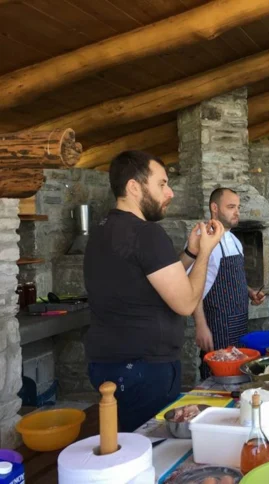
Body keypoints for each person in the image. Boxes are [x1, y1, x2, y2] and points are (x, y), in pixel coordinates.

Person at [84, 150, 224, 432]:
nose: (169, 192)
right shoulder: (146, 234)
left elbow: (155, 276)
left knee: (125, 443)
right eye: (161, 184)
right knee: (151, 449)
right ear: (134, 187)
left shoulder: (103, 229)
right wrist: (207, 252)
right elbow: (185, 302)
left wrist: (190, 253)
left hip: (110, 364)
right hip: (144, 371)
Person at [188, 187, 266, 379]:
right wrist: (201, 325)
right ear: (214, 208)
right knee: (218, 379)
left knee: (238, 376)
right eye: (231, 207)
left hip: (239, 322)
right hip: (218, 325)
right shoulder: (204, 239)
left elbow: (232, 277)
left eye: (238, 207)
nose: (237, 212)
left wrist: (249, 292)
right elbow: (192, 287)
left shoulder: (234, 240)